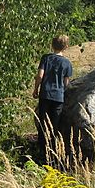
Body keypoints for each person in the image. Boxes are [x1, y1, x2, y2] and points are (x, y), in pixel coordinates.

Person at [33, 34, 73, 162]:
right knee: (54, 126)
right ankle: (51, 154)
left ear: (52, 44)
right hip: (58, 97)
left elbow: (40, 75)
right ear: (66, 47)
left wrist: (36, 89)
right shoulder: (67, 63)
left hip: (45, 95)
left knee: (43, 124)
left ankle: (40, 152)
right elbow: (66, 83)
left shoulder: (46, 58)